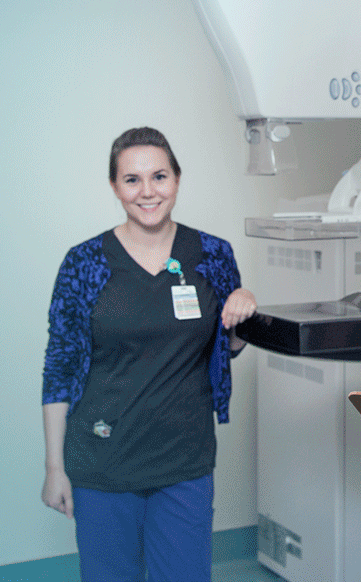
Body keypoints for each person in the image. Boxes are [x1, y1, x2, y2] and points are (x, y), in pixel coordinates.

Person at [40, 127, 258, 582]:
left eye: (159, 176)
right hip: (102, 460)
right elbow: (59, 368)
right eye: (132, 179)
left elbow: (226, 350)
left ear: (177, 179)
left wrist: (242, 317)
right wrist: (55, 467)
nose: (147, 191)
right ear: (115, 187)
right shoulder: (84, 264)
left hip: (184, 460)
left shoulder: (213, 255)